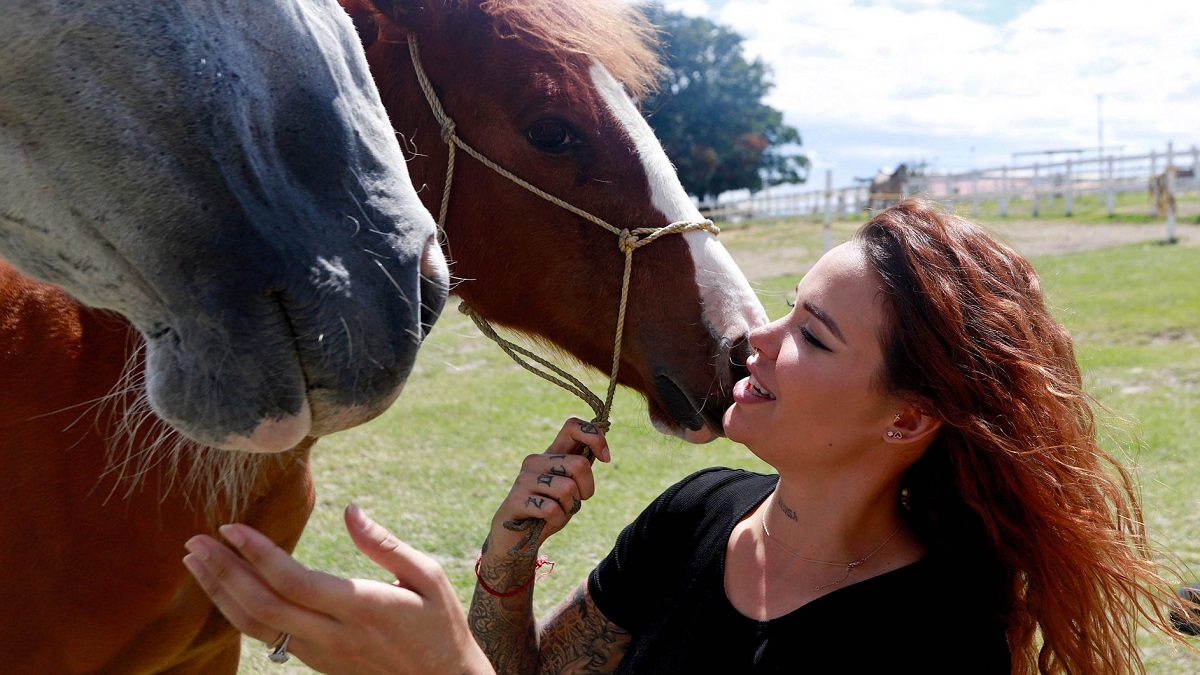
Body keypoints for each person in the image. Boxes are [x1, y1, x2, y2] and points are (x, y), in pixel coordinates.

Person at [184, 199, 1195, 674]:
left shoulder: (934, 639)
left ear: (908, 416)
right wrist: (506, 565)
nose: (755, 338)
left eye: (812, 335)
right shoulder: (698, 515)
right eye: (785, 307)